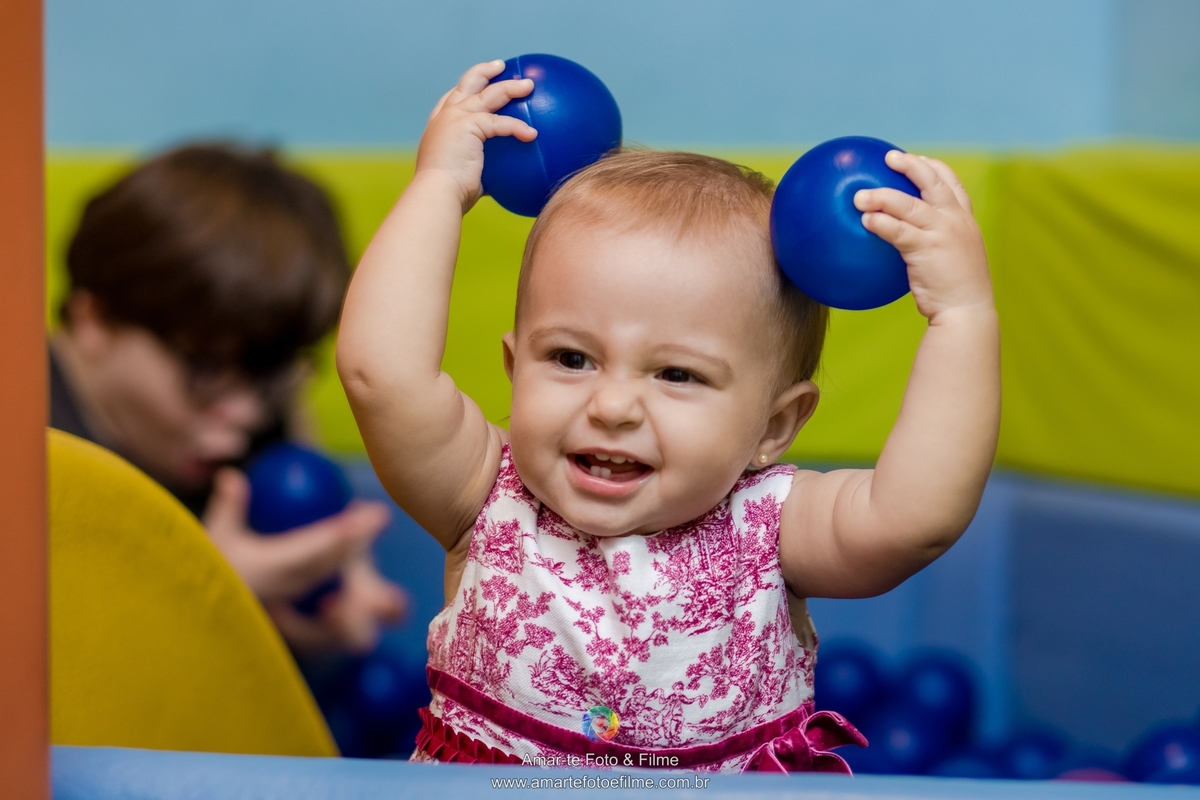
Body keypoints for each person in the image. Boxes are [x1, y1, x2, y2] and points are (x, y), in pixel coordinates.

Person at [337, 62, 999, 770]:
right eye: (570, 358)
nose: (613, 406)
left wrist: (961, 316)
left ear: (775, 427)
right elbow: (383, 376)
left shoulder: (772, 530)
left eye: (676, 374)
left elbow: (916, 518)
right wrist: (438, 188)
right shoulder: (485, 494)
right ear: (513, 368)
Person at [51, 142, 404, 654]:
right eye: (206, 368)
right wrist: (203, 593)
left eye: (273, 371)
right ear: (94, 320)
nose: (246, 413)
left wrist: (339, 586)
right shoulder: (31, 437)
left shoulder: (265, 405)